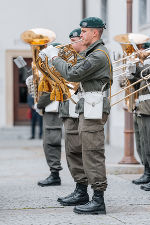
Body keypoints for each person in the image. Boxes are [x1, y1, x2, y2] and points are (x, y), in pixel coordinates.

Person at [40, 17, 113, 215]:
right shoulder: (92, 52)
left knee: (92, 151)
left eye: (83, 32)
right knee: (81, 150)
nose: (80, 35)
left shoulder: (98, 55)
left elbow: (72, 74)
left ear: (94, 33)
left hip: (93, 105)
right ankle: (83, 192)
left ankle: (98, 200)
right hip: (86, 104)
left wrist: (55, 58)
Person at [36, 43, 63, 187]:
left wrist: (39, 104)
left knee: (51, 142)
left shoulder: (53, 68)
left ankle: (55, 174)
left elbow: (49, 93)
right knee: (48, 142)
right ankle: (54, 173)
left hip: (53, 109)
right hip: (51, 109)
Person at [130, 48, 150, 190]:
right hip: (142, 108)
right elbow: (136, 82)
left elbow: (145, 72)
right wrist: (131, 68)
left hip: (148, 109)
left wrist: (141, 61)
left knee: (148, 144)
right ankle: (147, 172)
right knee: (143, 144)